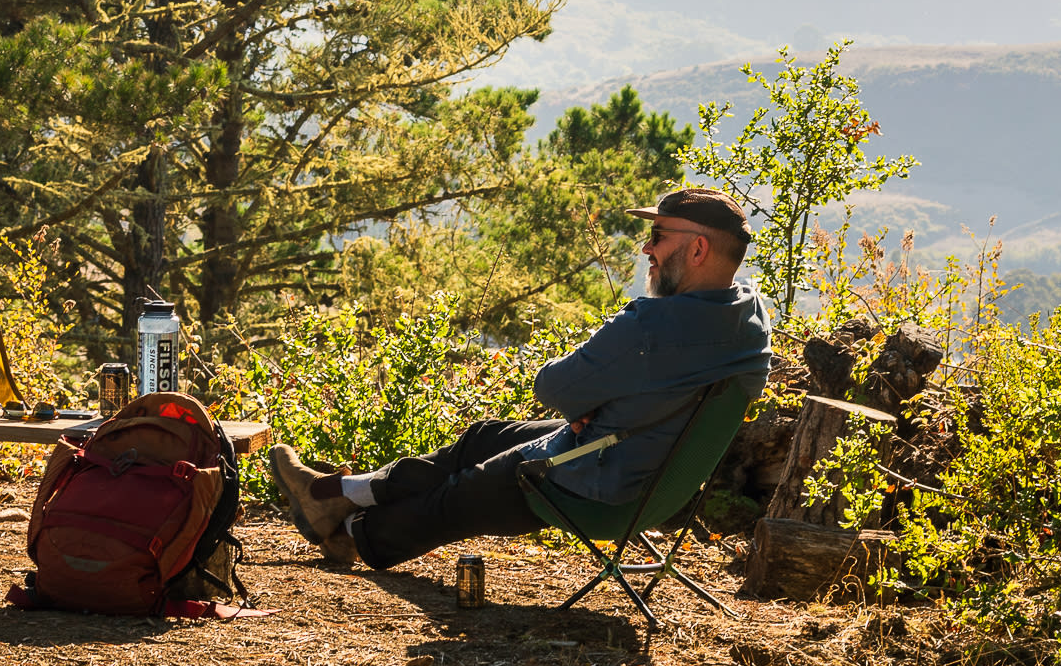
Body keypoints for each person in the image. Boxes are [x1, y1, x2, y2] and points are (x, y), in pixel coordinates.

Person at [265, 186, 772, 570]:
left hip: (596, 485)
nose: (647, 248)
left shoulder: (652, 327)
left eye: (659, 236)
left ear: (699, 249)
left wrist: (597, 398)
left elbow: (552, 387)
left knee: (459, 495)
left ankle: (351, 532)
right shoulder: (747, 320)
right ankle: (331, 492)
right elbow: (667, 388)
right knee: (484, 438)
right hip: (644, 471)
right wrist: (612, 400)